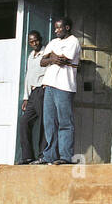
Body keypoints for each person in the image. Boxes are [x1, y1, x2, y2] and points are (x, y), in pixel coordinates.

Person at [37, 17, 81, 166]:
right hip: (49, 85)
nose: (56, 31)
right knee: (49, 122)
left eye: (59, 28)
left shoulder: (73, 41)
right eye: (55, 28)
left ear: (67, 28)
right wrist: (51, 58)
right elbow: (42, 61)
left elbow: (63, 60)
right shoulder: (54, 42)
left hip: (64, 87)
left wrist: (52, 56)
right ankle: (49, 155)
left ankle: (65, 156)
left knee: (65, 122)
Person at [16, 31, 47, 164]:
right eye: (31, 42)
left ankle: (43, 155)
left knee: (43, 123)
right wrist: (26, 97)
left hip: (42, 90)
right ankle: (27, 156)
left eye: (36, 41)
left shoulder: (46, 53)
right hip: (32, 93)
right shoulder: (31, 55)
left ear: (40, 39)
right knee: (24, 122)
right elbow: (28, 77)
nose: (34, 44)